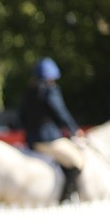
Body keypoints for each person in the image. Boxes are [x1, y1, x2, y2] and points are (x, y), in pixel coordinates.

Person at [18, 58, 86, 202]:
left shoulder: (29, 91)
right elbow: (60, 111)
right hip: (48, 139)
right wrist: (74, 130)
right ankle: (66, 197)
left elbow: (21, 117)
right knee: (77, 161)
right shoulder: (50, 90)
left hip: (31, 139)